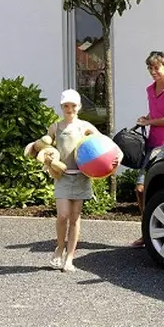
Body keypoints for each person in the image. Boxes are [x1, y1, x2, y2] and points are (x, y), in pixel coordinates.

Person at [130, 51, 164, 248]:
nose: (153, 72)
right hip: (152, 143)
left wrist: (150, 121)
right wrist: (145, 119)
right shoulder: (149, 89)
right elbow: (154, 113)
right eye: (150, 68)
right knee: (141, 188)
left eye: (156, 67)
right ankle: (147, 231)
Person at [47, 89, 100, 272]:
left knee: (75, 217)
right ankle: (59, 247)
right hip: (62, 176)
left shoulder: (85, 126)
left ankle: (70, 257)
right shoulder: (55, 127)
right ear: (62, 107)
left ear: (79, 107)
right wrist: (47, 158)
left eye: (73, 106)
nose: (70, 109)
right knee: (63, 215)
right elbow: (45, 147)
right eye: (66, 106)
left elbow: (101, 145)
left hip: (81, 176)